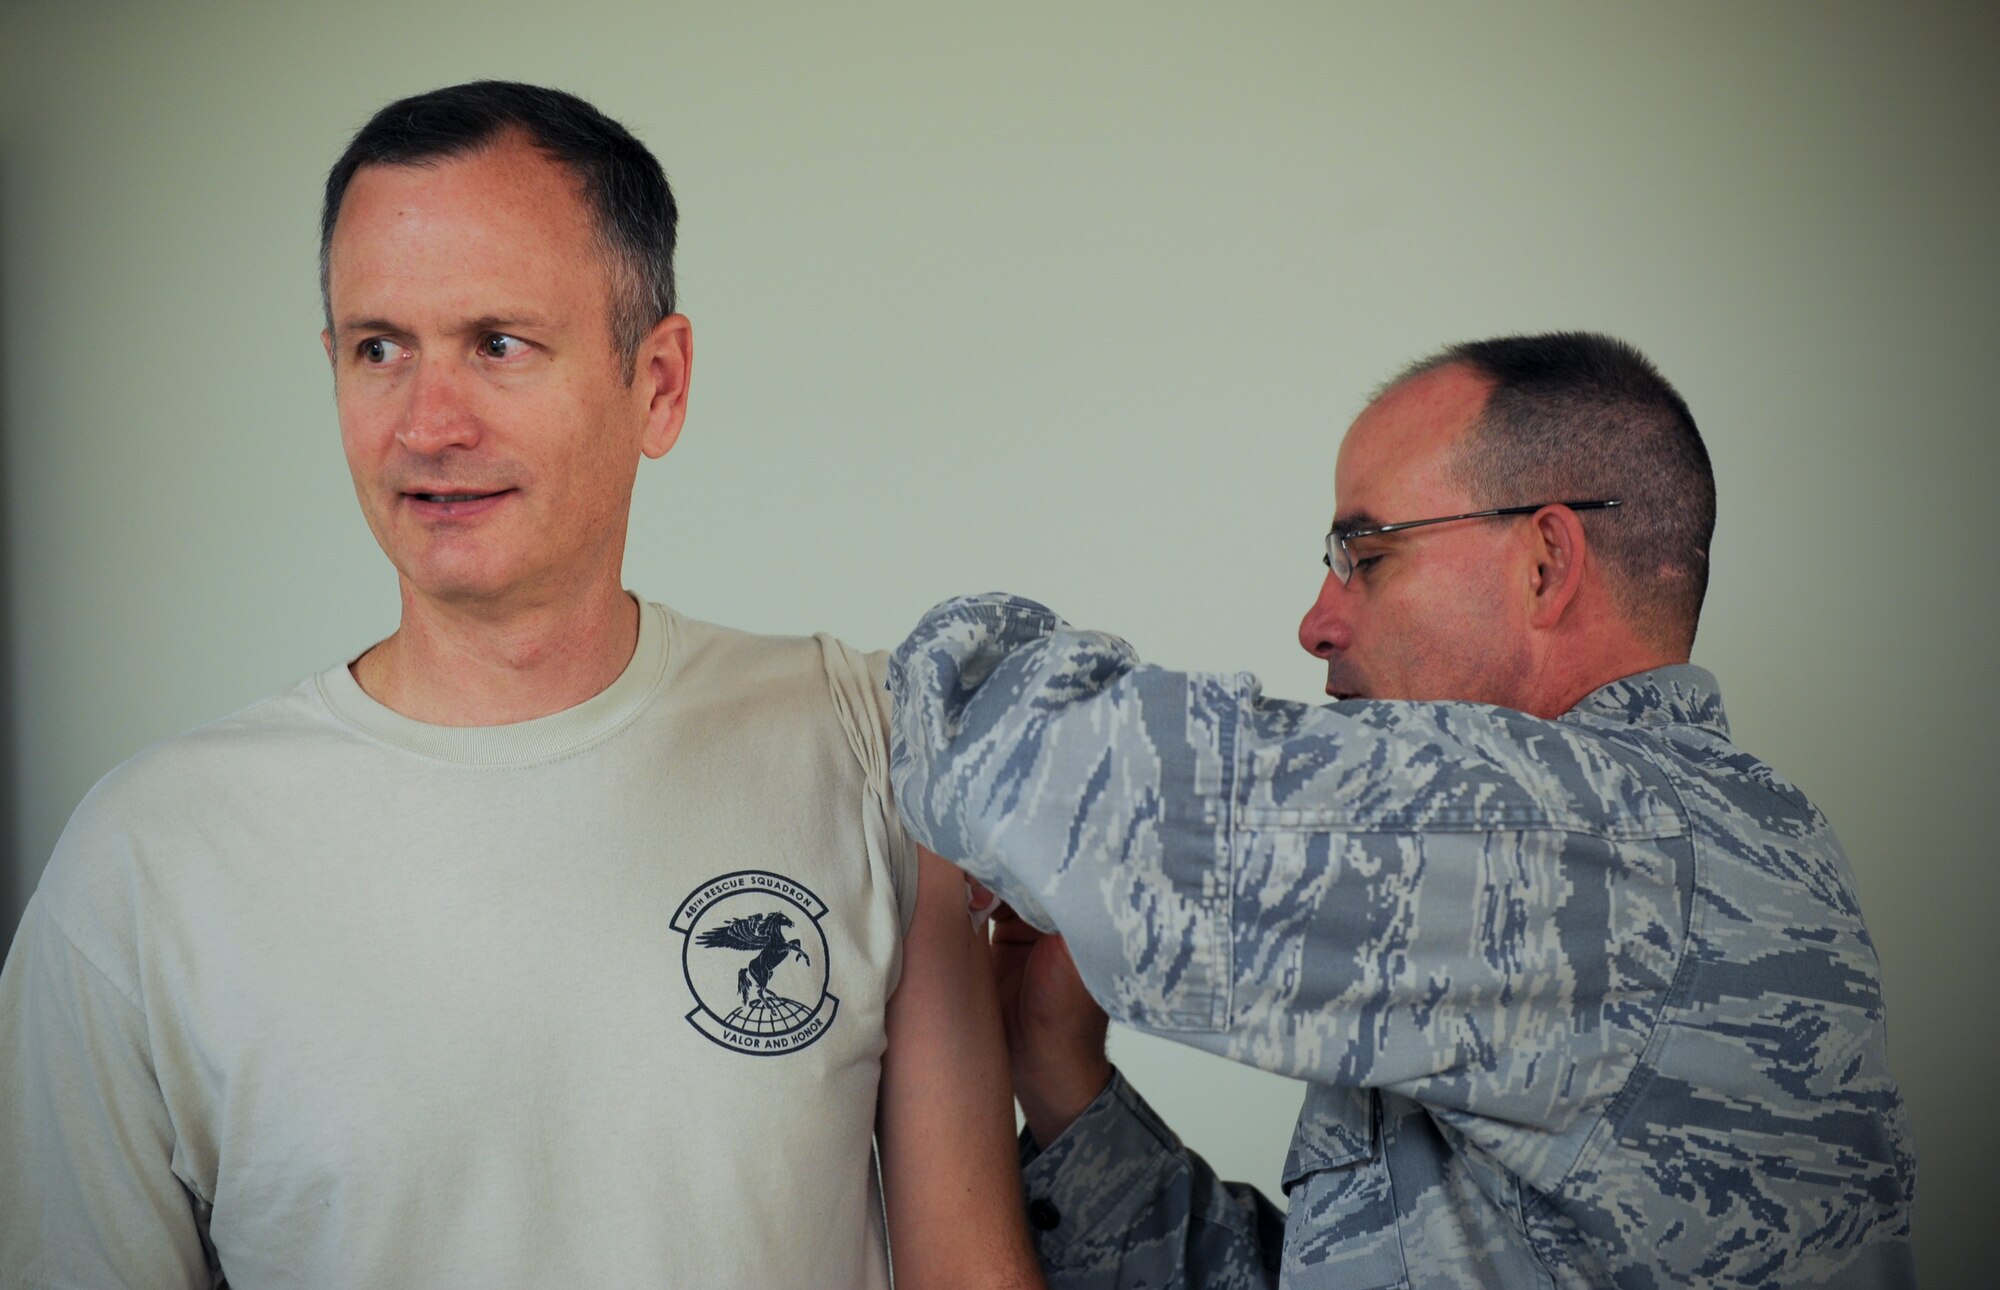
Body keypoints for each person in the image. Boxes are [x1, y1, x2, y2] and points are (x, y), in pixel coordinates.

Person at [0, 81, 1039, 1289]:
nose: (426, 424)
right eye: (377, 348)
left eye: (498, 345)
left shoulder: (860, 747)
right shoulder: (143, 865)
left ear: (656, 384)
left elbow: (965, 1269)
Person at [889, 333, 1915, 1287]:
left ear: (1544, 565)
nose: (1315, 622)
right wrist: (1062, 1081)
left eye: (1365, 556)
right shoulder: (1623, 871)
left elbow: (1066, 774)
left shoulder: (1598, 843)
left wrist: (867, 698)